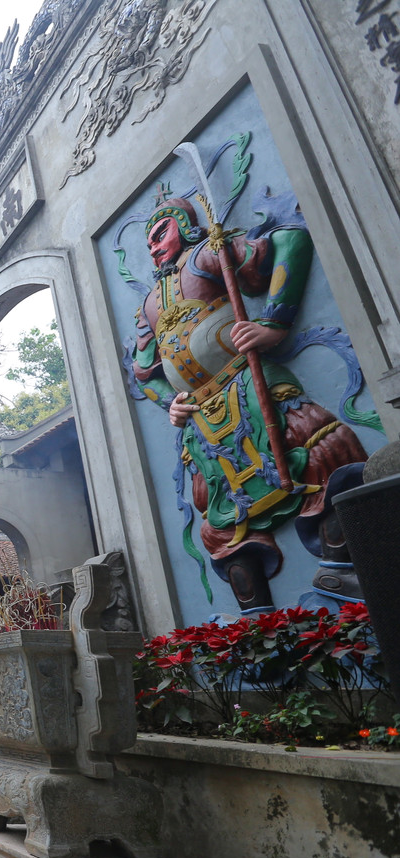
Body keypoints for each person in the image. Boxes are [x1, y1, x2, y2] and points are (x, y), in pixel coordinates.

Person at [130, 193, 368, 611]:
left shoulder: (208, 253)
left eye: (159, 233)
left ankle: (339, 564)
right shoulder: (148, 305)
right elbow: (144, 371)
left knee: (323, 447)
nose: (153, 246)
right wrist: (171, 403)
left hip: (249, 382)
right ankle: (256, 618)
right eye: (147, 242)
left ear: (184, 227)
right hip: (202, 416)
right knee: (216, 510)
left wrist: (274, 322)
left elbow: (291, 242)